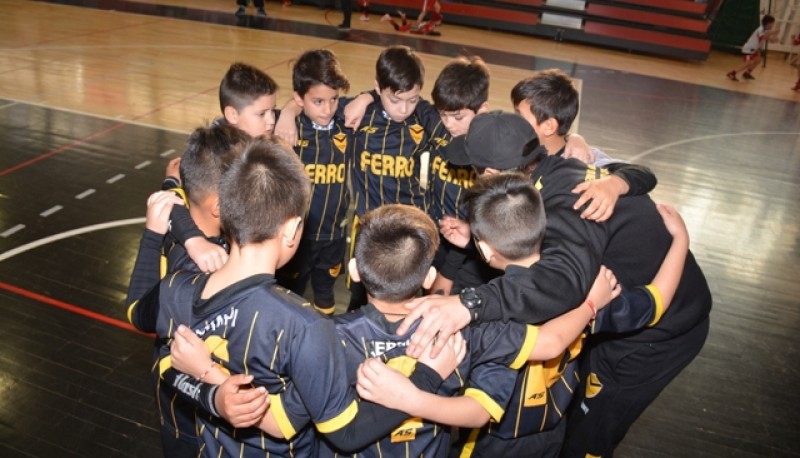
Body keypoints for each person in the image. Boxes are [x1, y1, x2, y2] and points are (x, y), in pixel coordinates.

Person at [171, 202, 622, 456]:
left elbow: (275, 422)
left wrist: (208, 371)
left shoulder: (328, 338)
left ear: (354, 272)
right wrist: (590, 303)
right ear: (428, 278)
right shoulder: (467, 326)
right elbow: (540, 353)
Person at [401, 110, 713, 457]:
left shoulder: (567, 222)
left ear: (490, 173)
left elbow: (562, 285)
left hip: (659, 333)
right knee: (573, 402)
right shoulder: (553, 174)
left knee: (591, 431)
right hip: (631, 301)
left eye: (473, 169)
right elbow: (637, 177)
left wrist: (468, 304)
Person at [129, 137, 455, 457]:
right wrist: (425, 377)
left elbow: (167, 364)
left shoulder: (176, 287)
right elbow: (341, 432)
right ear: (291, 229)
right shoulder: (305, 327)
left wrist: (209, 387)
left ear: (225, 211)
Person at [358, 173, 691, 457]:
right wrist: (680, 241)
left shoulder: (486, 316)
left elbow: (476, 405)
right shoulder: (592, 292)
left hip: (498, 439)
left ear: (485, 250)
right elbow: (656, 302)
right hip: (551, 431)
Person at [125, 124, 249, 458]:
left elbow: (171, 191)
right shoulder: (194, 271)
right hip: (186, 405)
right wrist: (153, 238)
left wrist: (169, 188)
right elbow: (138, 311)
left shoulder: (179, 212)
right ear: (220, 206)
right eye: (246, 191)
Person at [169, 62, 279, 274]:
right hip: (215, 260)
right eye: (263, 113)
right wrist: (194, 240)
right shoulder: (212, 154)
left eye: (273, 111)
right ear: (233, 115)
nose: (271, 120)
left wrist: (291, 113)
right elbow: (170, 205)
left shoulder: (255, 134)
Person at [273, 49, 351, 316]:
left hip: (334, 235)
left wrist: (364, 99)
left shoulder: (347, 122)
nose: (327, 109)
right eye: (318, 101)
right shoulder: (287, 130)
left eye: (333, 100)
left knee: (325, 294)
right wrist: (286, 113)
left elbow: (374, 98)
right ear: (299, 98)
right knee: (288, 296)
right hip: (295, 236)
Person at [726, 14, 778, 81]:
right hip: (749, 49)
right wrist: (772, 33)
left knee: (758, 60)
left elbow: (769, 39)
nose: (772, 26)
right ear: (768, 23)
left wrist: (774, 38)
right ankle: (732, 73)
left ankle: (747, 73)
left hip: (755, 50)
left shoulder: (765, 31)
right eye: (772, 24)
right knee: (748, 63)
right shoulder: (761, 29)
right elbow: (763, 37)